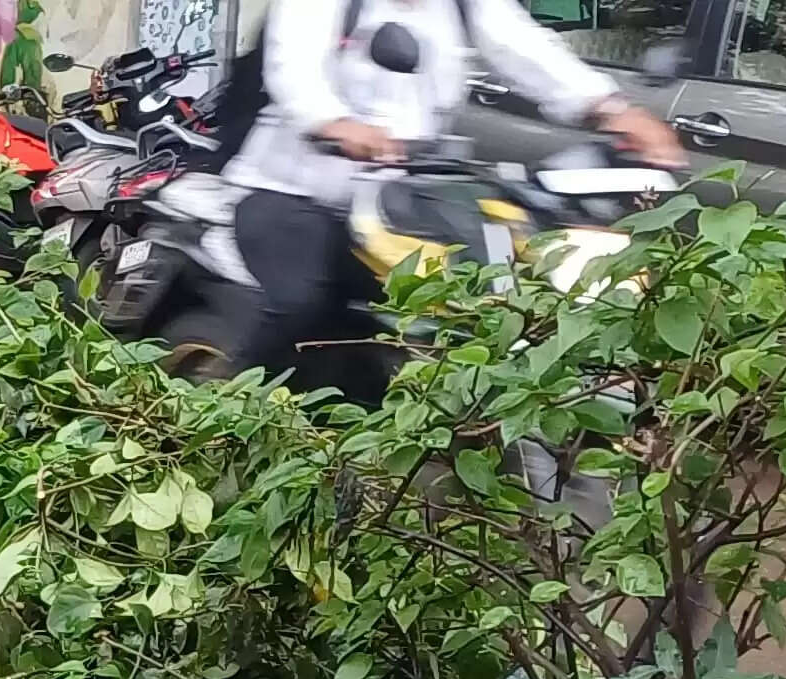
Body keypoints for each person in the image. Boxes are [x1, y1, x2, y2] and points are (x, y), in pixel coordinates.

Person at [218, 0, 680, 393]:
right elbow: (294, 67)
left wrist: (612, 109)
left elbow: (525, 48)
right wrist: (333, 122)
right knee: (301, 303)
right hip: (296, 191)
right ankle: (226, 418)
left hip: (402, 199)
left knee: (472, 306)